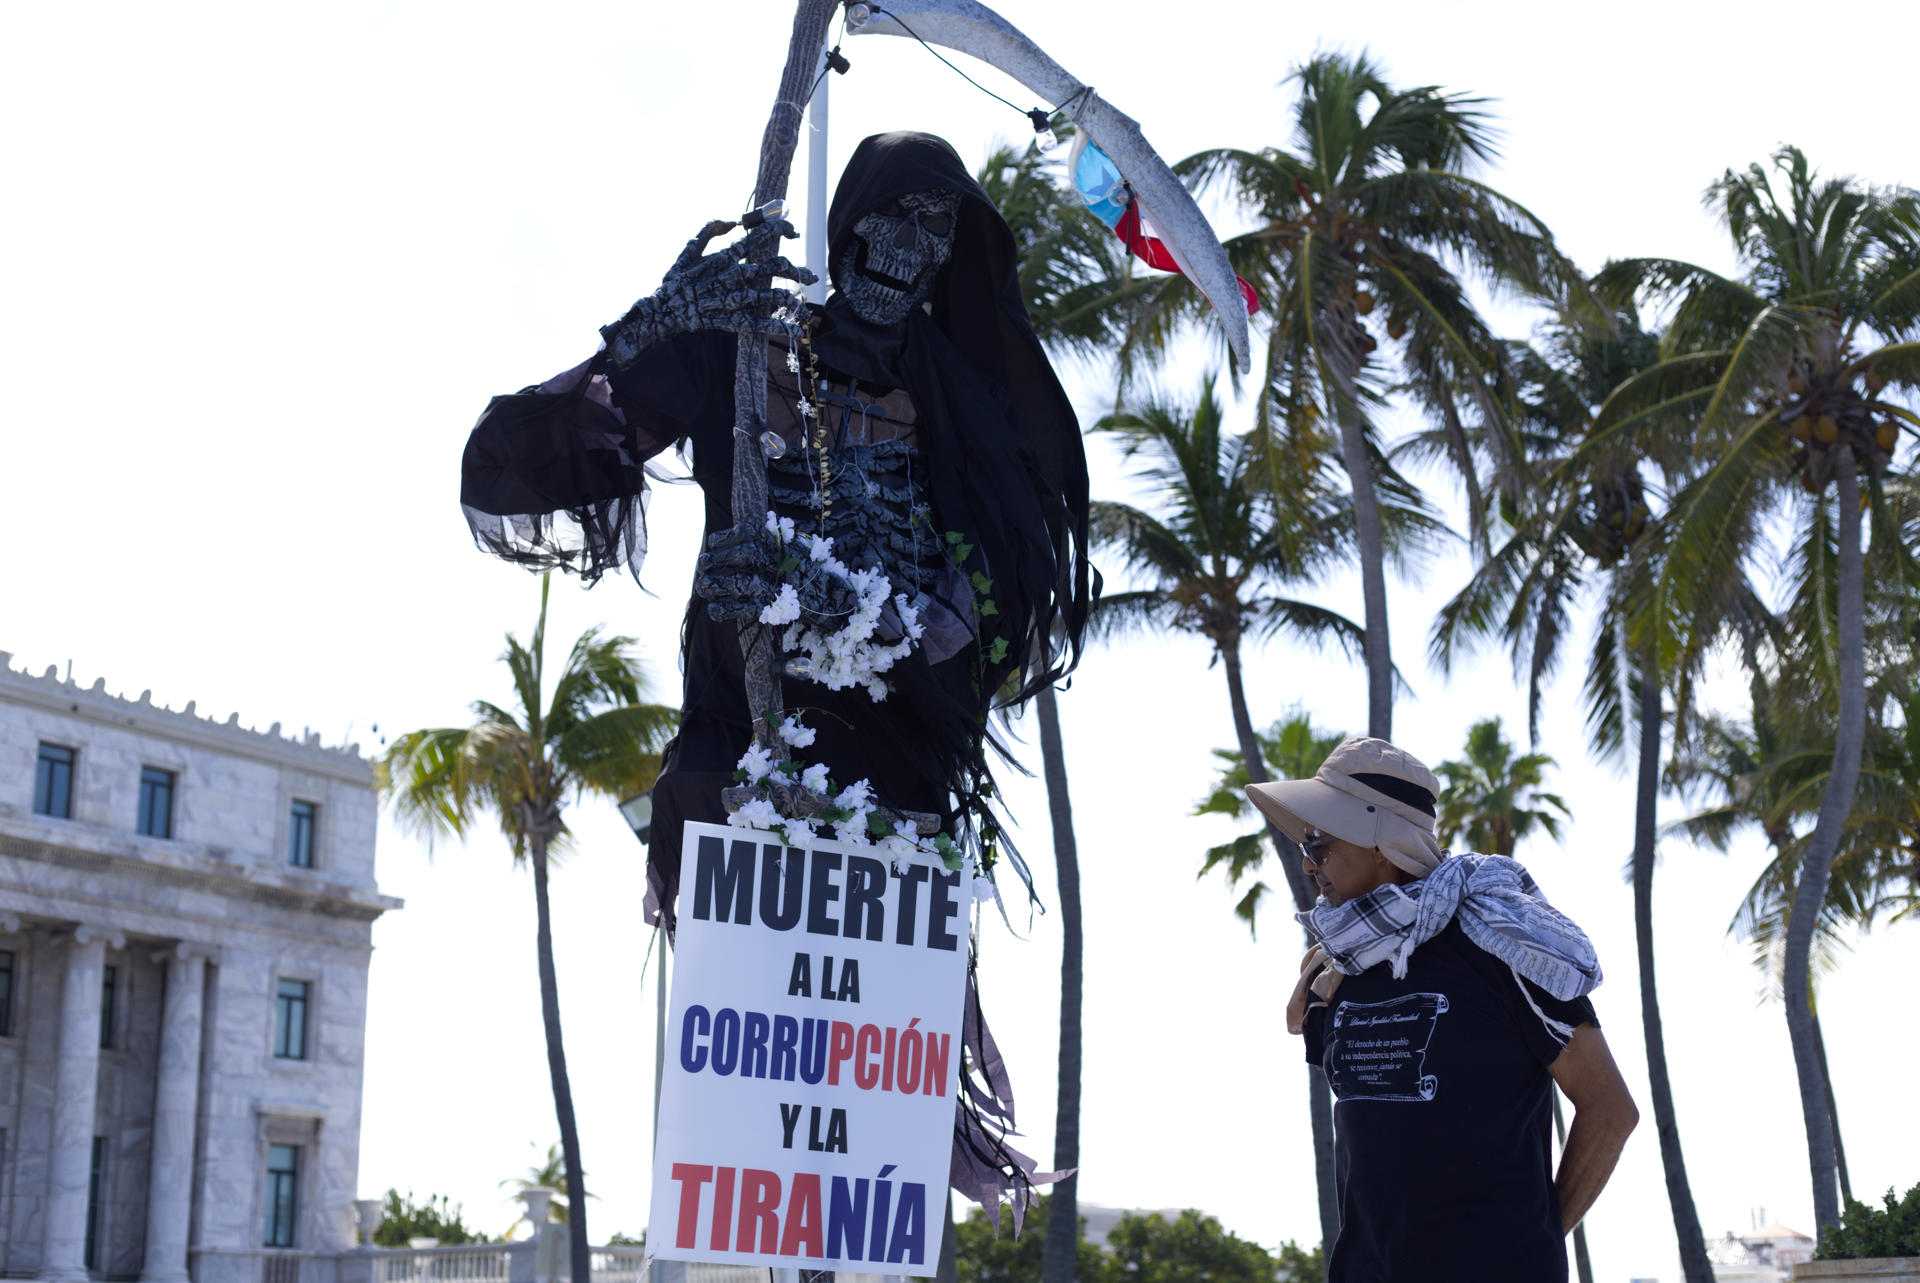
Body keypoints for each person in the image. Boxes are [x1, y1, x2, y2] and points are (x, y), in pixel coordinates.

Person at [458, 131, 1092, 928]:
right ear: (849, 221)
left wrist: (840, 602)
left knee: (885, 1048)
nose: (908, 246)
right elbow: (514, 465)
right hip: (739, 780)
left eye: (934, 226)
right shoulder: (741, 356)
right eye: (891, 218)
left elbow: (991, 615)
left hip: (897, 820)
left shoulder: (963, 414)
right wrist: (645, 332)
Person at [1247, 736, 1639, 1282]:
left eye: (1319, 844)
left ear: (1379, 841)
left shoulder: (1502, 944)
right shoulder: (1340, 967)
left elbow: (1610, 1110)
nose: (1309, 865)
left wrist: (1540, 1237)